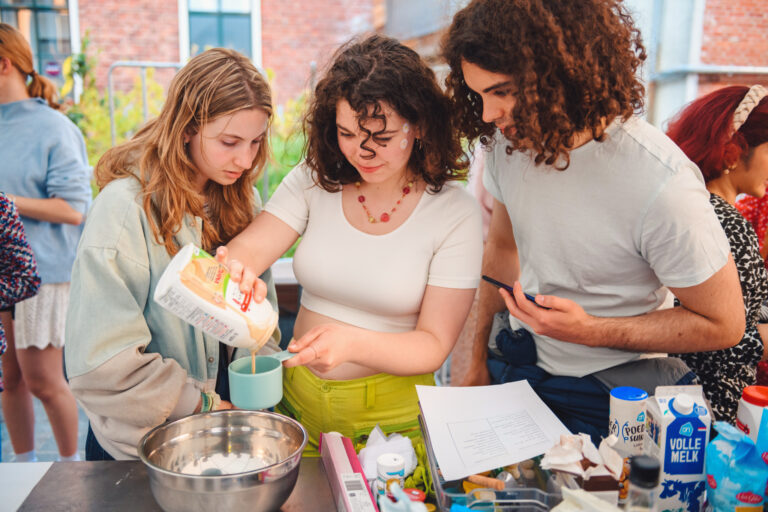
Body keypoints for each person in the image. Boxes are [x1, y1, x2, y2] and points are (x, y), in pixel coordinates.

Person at [441, 0, 744, 441]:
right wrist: (473, 362)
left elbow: (725, 324)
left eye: (502, 91)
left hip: (611, 397)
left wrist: (592, 332)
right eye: (480, 94)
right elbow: (503, 249)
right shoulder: (507, 146)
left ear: (561, 74)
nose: (488, 115)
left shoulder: (661, 181)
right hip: (515, 366)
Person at [218, 35, 483, 455]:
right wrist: (233, 269)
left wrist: (351, 344)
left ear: (421, 126)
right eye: (346, 133)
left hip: (391, 426)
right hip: (295, 403)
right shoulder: (313, 179)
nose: (361, 151)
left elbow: (433, 345)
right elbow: (250, 250)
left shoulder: (455, 213)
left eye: (380, 135)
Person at [64, 48, 280, 460]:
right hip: (141, 452)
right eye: (230, 142)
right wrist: (199, 405)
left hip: (224, 433)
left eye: (256, 142)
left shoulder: (242, 200)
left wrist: (262, 371)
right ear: (186, 129)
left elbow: (262, 314)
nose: (246, 160)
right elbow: (102, 367)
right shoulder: (124, 209)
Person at [0, 23, 90, 462]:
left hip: (44, 274)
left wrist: (5, 201)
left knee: (42, 381)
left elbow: (73, 208)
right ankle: (21, 469)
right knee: (9, 379)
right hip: (3, 274)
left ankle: (72, 473)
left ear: (4, 64)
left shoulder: (54, 128)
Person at [666, 85, 768, 422]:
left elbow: (753, 305)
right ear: (734, 151)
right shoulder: (724, 223)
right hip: (714, 409)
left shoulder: (702, 210)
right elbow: (717, 337)